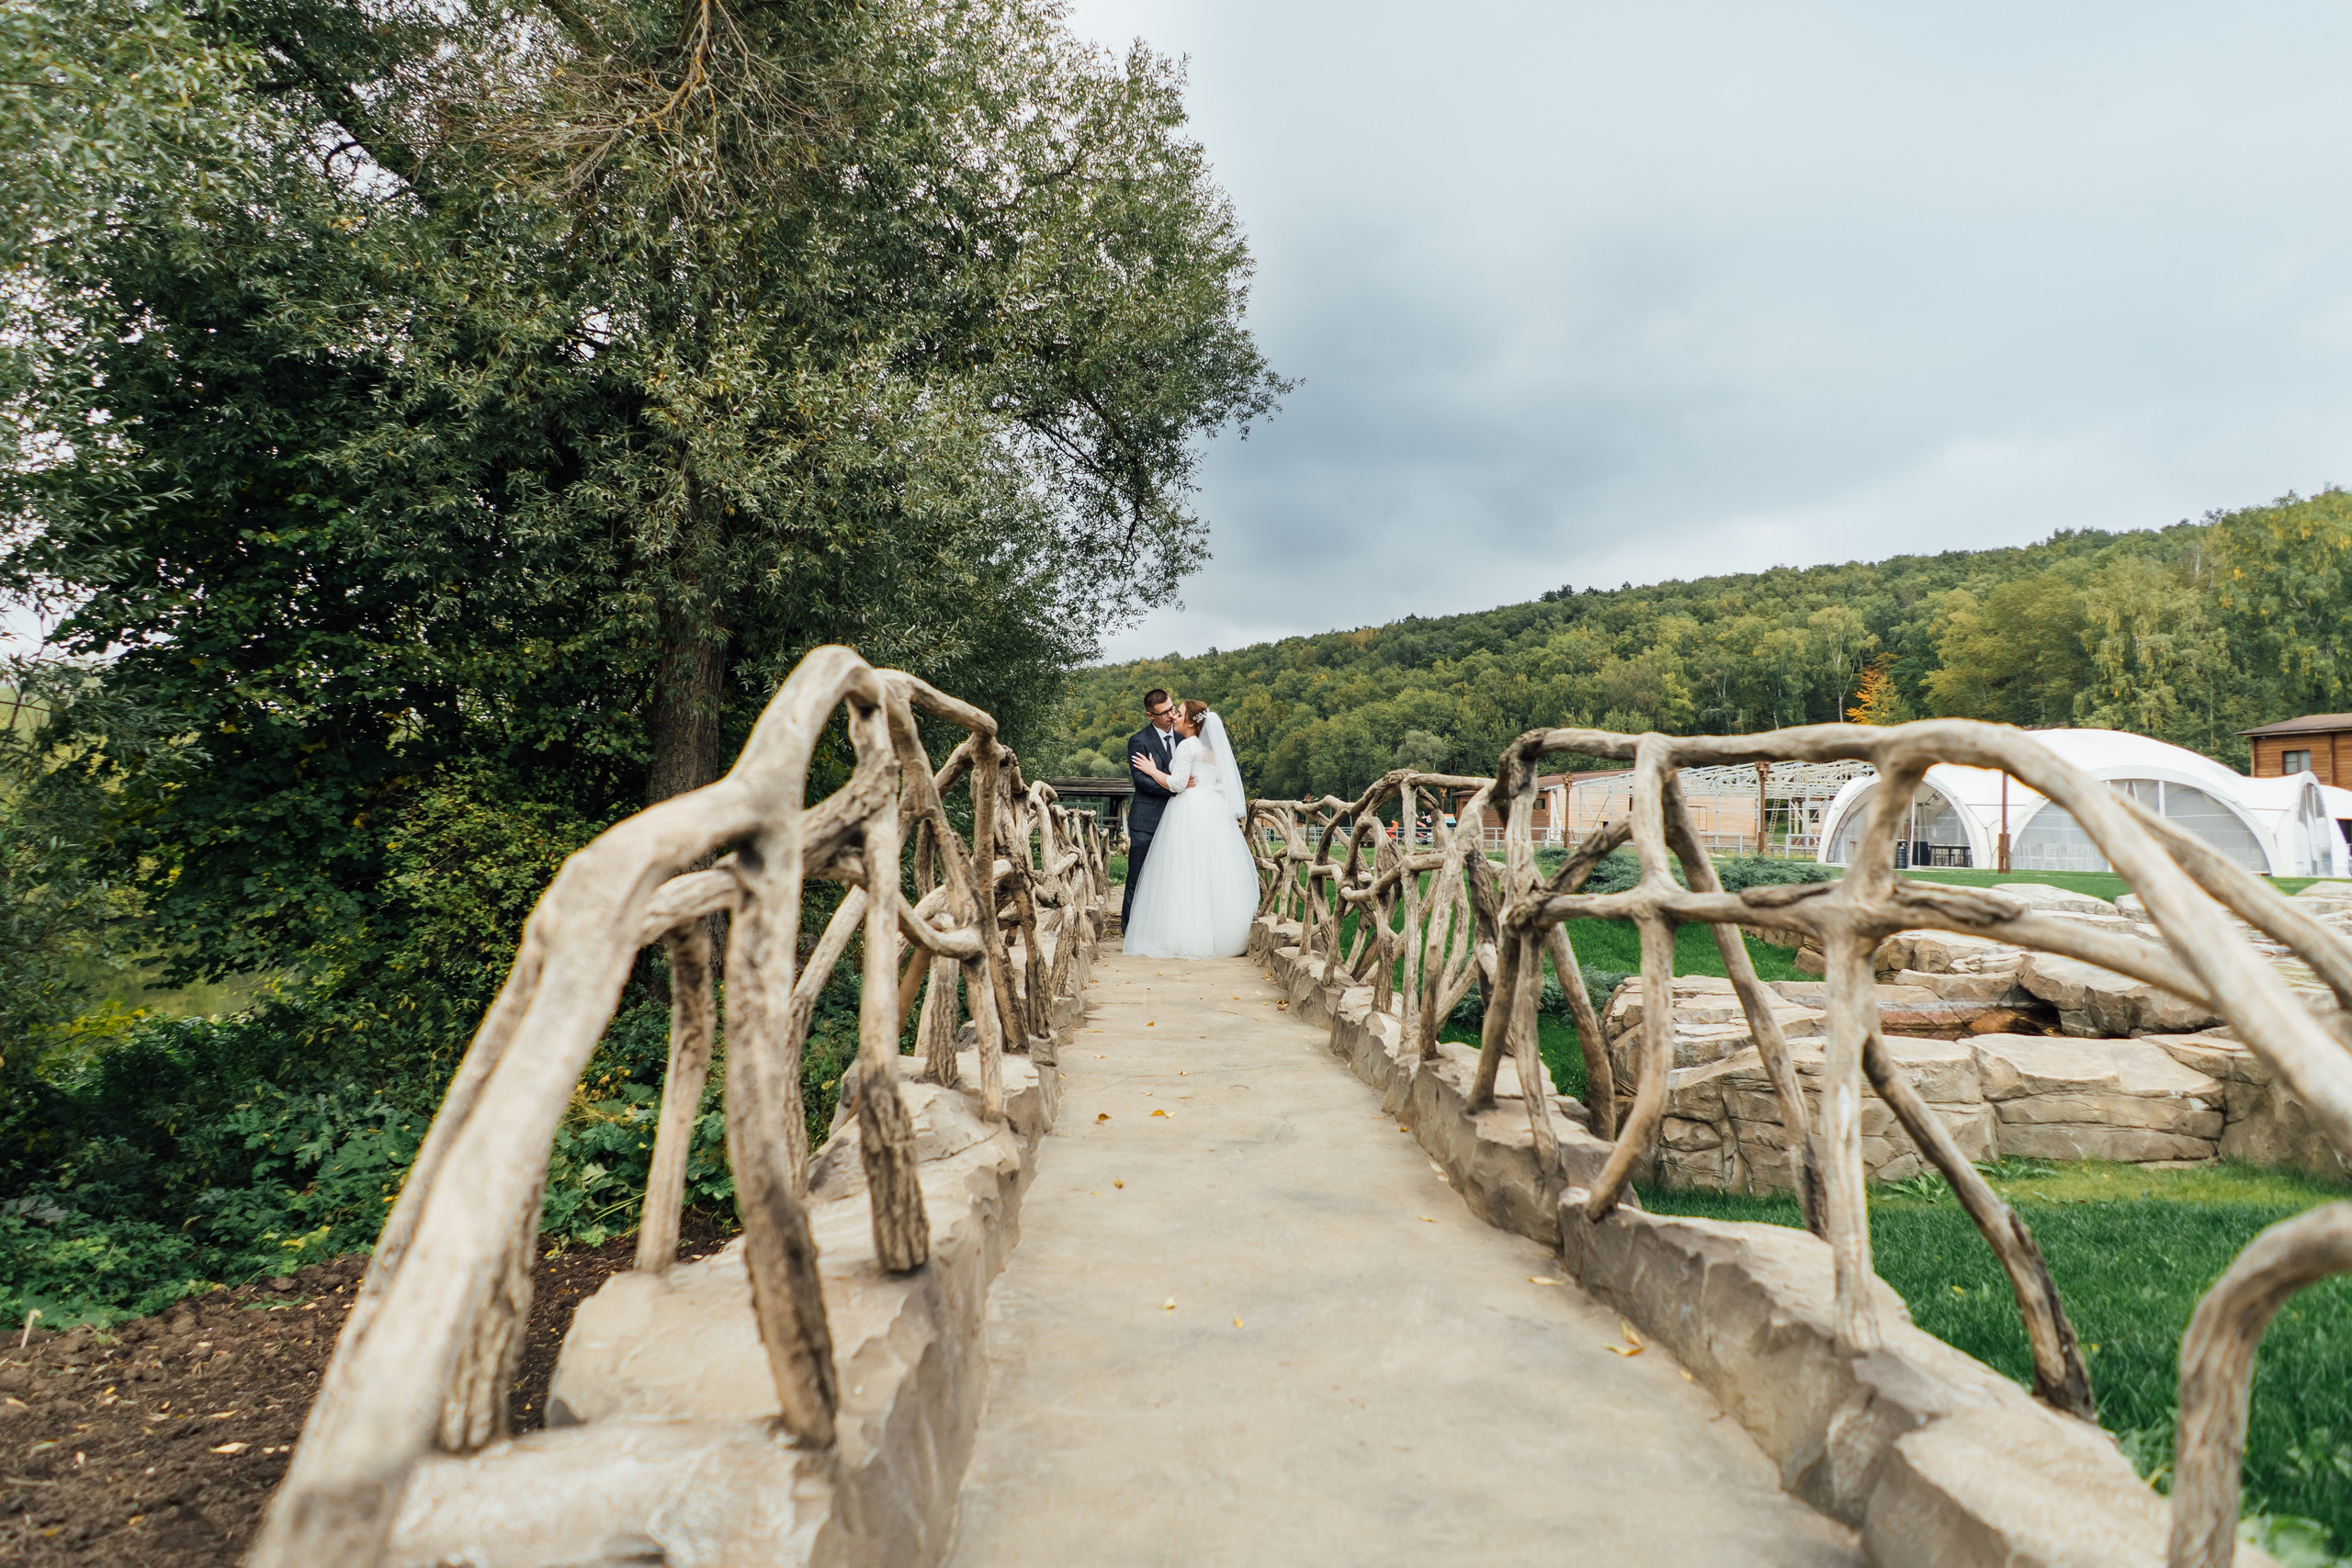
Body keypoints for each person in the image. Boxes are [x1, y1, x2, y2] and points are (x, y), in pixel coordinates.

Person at [1123, 699, 1258, 958]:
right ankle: (1220, 935)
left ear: (1191, 721)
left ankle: (1184, 935)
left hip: (1189, 810)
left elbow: (1176, 784)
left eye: (1180, 713)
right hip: (1212, 811)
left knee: (1183, 872)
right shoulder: (1213, 748)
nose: (1175, 716)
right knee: (1210, 872)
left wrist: (1152, 770)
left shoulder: (1187, 745)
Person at [1121, 689, 1181, 932]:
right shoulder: (1139, 740)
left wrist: (1162, 778)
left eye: (1172, 708)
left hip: (1179, 819)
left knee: (1172, 877)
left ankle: (1163, 928)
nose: (1171, 714)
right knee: (1138, 876)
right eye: (1164, 712)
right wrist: (1175, 789)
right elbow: (1141, 781)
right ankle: (1130, 930)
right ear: (1150, 715)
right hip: (1147, 820)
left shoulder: (1185, 737)